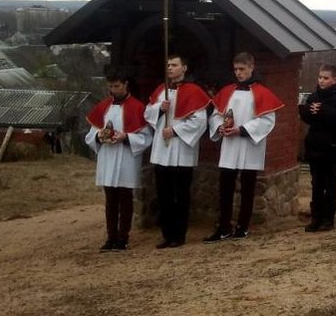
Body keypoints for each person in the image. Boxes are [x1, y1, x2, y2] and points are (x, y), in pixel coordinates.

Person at [203, 52, 283, 242]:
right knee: (225, 187)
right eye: (236, 69)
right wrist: (220, 126)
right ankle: (223, 227)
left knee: (248, 187)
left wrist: (242, 130)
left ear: (251, 67)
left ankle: (243, 226)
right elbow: (215, 114)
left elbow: (267, 119)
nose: (238, 73)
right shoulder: (228, 91)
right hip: (230, 145)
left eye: (242, 69)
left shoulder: (262, 92)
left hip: (249, 144)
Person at [145, 54, 211, 249]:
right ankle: (167, 233)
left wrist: (174, 130)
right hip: (162, 150)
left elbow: (199, 121)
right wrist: (159, 108)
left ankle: (179, 234)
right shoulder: (160, 90)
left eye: (174, 65)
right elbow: (147, 113)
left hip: (181, 148)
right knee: (164, 194)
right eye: (168, 65)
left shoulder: (194, 91)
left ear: (184, 68)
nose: (170, 68)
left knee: (181, 194)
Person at [84, 69, 150, 251]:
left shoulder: (137, 107)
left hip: (126, 156)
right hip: (107, 155)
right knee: (110, 199)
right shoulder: (103, 106)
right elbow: (91, 134)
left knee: (125, 198)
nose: (114, 90)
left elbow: (145, 137)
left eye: (117, 86)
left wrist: (126, 138)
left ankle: (123, 237)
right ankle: (110, 236)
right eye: (111, 86)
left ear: (126, 84)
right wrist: (99, 136)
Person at [301, 63, 336, 232]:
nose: (322, 81)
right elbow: (305, 116)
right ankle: (315, 217)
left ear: (334, 80)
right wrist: (310, 110)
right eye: (320, 77)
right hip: (314, 146)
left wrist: (323, 111)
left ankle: (328, 218)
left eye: (325, 78)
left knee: (330, 184)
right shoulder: (314, 96)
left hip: (331, 147)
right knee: (316, 184)